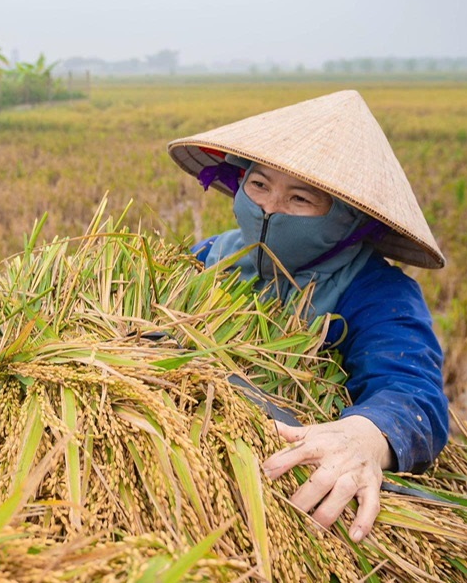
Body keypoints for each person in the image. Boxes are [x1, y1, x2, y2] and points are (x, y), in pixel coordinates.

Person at [166, 89, 448, 543]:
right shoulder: (208, 257)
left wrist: (364, 439)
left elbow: (414, 395)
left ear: (346, 219)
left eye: (300, 199)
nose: (269, 210)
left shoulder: (375, 290)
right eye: (258, 186)